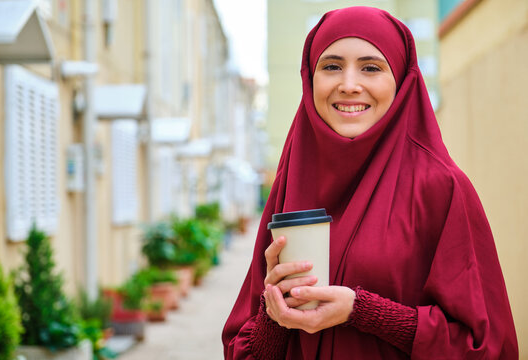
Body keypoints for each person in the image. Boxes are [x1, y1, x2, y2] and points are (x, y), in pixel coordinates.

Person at [222, 6, 518, 359]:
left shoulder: (441, 187)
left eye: (371, 67)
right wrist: (275, 312)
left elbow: (485, 347)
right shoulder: (292, 182)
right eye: (331, 66)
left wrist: (362, 312)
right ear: (309, 79)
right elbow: (246, 351)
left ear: (401, 81)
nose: (348, 85)